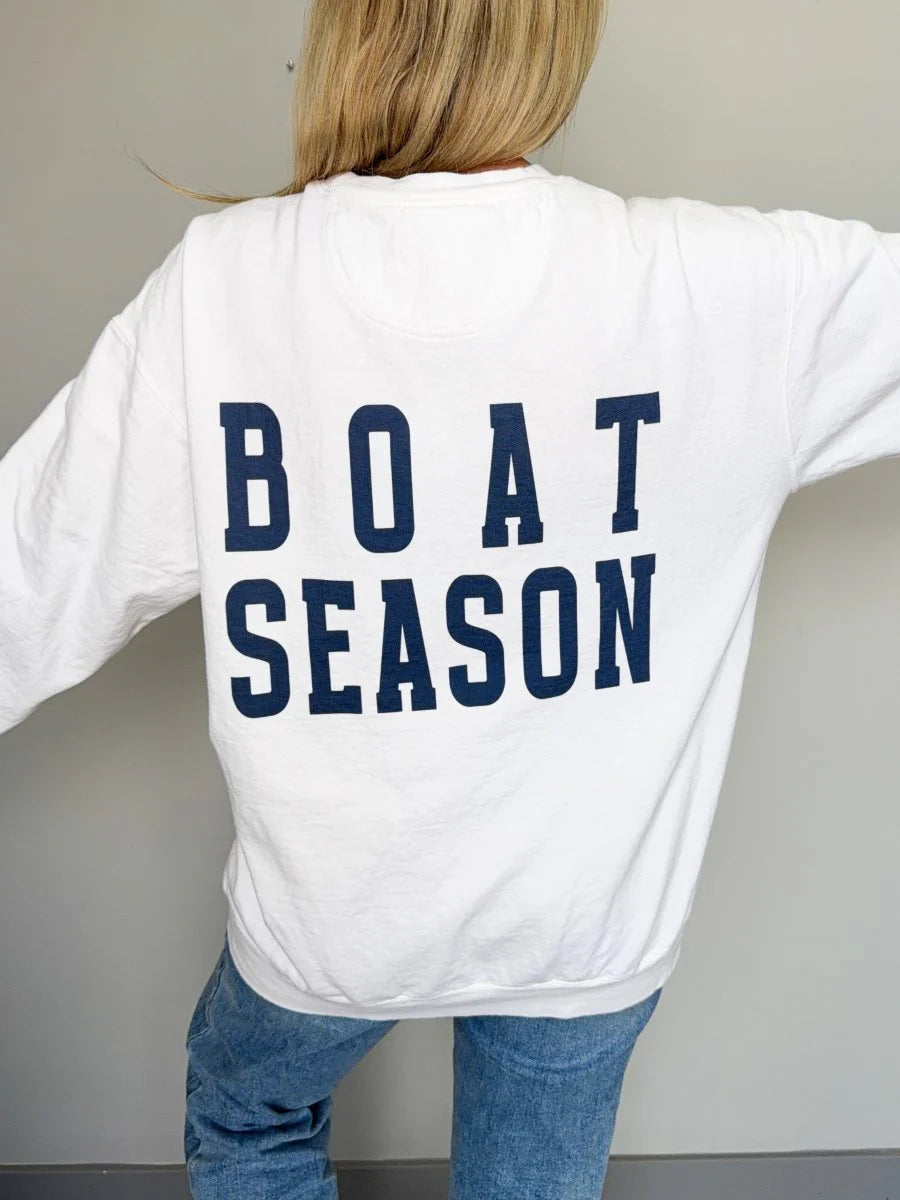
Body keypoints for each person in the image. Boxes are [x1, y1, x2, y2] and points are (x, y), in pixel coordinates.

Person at [1, 0, 898, 1195]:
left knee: (251, 1116)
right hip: (587, 925)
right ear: (555, 42)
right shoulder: (720, 285)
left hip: (332, 927)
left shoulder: (226, 285)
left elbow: (36, 561)